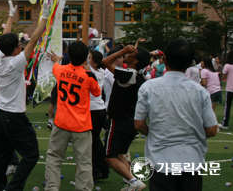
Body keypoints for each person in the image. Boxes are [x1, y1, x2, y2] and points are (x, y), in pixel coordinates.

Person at [135, 40, 218, 191]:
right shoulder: (200, 91)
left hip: (160, 159)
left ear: (165, 58)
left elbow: (139, 124)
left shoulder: (148, 87)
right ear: (190, 62)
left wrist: (157, 133)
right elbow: (212, 129)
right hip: (191, 159)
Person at [0, 0, 49, 191]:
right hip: (14, 116)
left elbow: (5, 36)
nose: (21, 46)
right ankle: (13, 188)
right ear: (15, 50)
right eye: (19, 45)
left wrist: (10, 16)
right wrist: (45, 18)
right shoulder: (15, 63)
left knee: (2, 154)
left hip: (1, 115)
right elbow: (33, 40)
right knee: (31, 154)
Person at [44, 41, 101, 191]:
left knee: (54, 158)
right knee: (84, 162)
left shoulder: (60, 70)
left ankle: (51, 188)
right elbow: (97, 93)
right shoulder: (89, 76)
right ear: (85, 58)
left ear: (68, 55)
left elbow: (56, 65)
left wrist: (57, 59)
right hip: (81, 125)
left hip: (62, 122)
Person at [102, 45, 151, 191]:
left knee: (109, 157)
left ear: (135, 60)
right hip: (130, 121)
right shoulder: (138, 76)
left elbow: (105, 62)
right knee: (119, 154)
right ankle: (133, 181)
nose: (128, 54)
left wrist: (122, 51)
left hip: (119, 120)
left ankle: (133, 181)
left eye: (132, 53)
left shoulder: (129, 74)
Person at [87, 50, 109, 181]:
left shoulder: (91, 72)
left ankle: (96, 170)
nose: (88, 60)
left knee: (90, 141)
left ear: (94, 62)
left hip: (92, 109)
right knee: (95, 140)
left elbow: (79, 57)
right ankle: (103, 169)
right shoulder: (102, 72)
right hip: (101, 108)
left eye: (90, 58)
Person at [200, 56, 221, 122]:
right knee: (212, 110)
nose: (200, 63)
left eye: (201, 62)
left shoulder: (204, 71)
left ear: (204, 63)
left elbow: (204, 83)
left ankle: (214, 125)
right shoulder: (214, 71)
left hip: (212, 91)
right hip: (218, 91)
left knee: (209, 111)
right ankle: (215, 125)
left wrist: (198, 84)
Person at [220, 50, 233, 130]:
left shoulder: (227, 65)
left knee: (227, 106)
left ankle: (225, 123)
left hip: (230, 89)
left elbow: (223, 77)